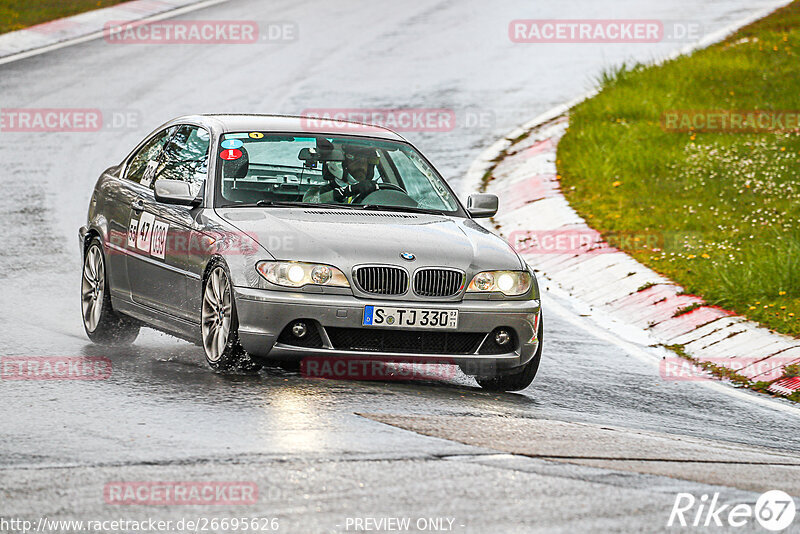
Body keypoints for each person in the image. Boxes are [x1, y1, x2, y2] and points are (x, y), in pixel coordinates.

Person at [302, 144, 380, 204]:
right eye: (357, 161)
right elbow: (309, 203)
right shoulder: (318, 191)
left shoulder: (375, 191)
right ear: (338, 164)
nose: (363, 167)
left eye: (366, 163)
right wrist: (345, 192)